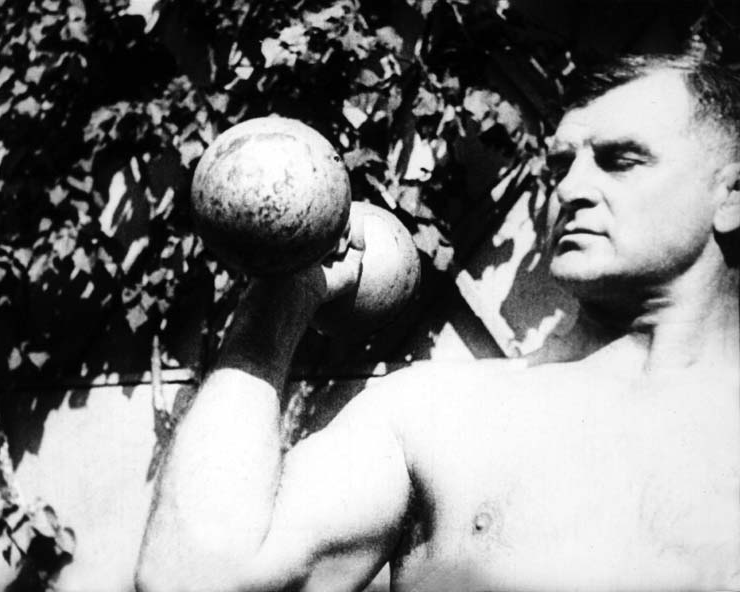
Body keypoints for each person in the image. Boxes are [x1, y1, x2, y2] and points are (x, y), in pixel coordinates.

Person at [135, 52, 740, 592]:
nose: (570, 190)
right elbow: (194, 581)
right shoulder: (439, 414)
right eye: (561, 167)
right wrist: (286, 291)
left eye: (621, 161)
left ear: (732, 195)